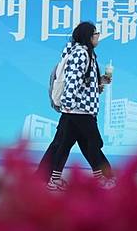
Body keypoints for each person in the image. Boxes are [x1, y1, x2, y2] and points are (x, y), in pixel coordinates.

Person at [37, 21, 116, 191]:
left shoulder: (87, 53)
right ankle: (101, 177)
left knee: (64, 144)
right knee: (93, 144)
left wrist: (100, 81)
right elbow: (72, 81)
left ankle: (52, 179)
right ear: (88, 36)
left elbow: (84, 81)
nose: (98, 37)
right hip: (79, 110)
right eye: (96, 34)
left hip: (79, 109)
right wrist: (69, 106)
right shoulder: (81, 54)